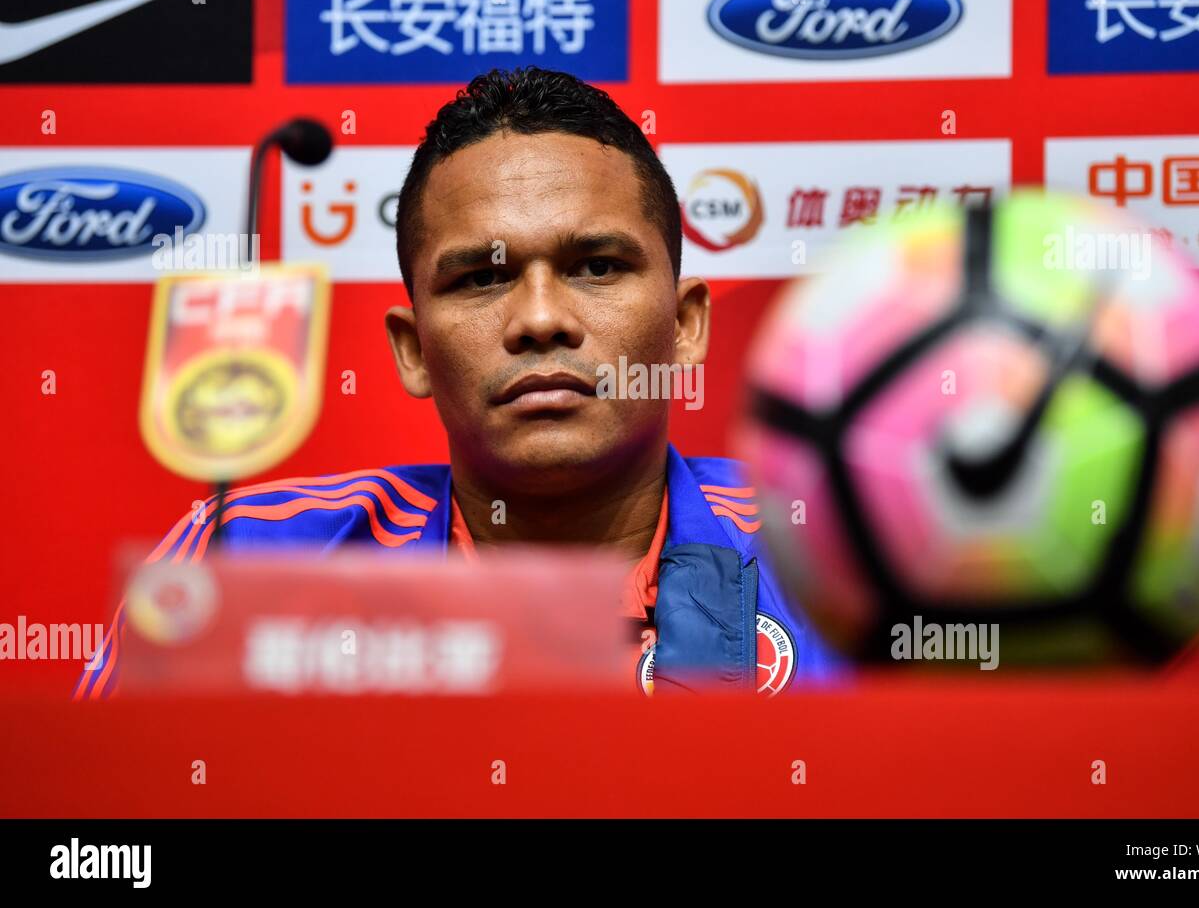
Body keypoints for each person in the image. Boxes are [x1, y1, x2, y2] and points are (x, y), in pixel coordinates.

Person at [75, 66, 846, 700]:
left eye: (597, 267)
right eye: (482, 278)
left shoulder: (838, 553)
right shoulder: (245, 558)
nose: (540, 319)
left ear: (685, 325)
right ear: (412, 350)